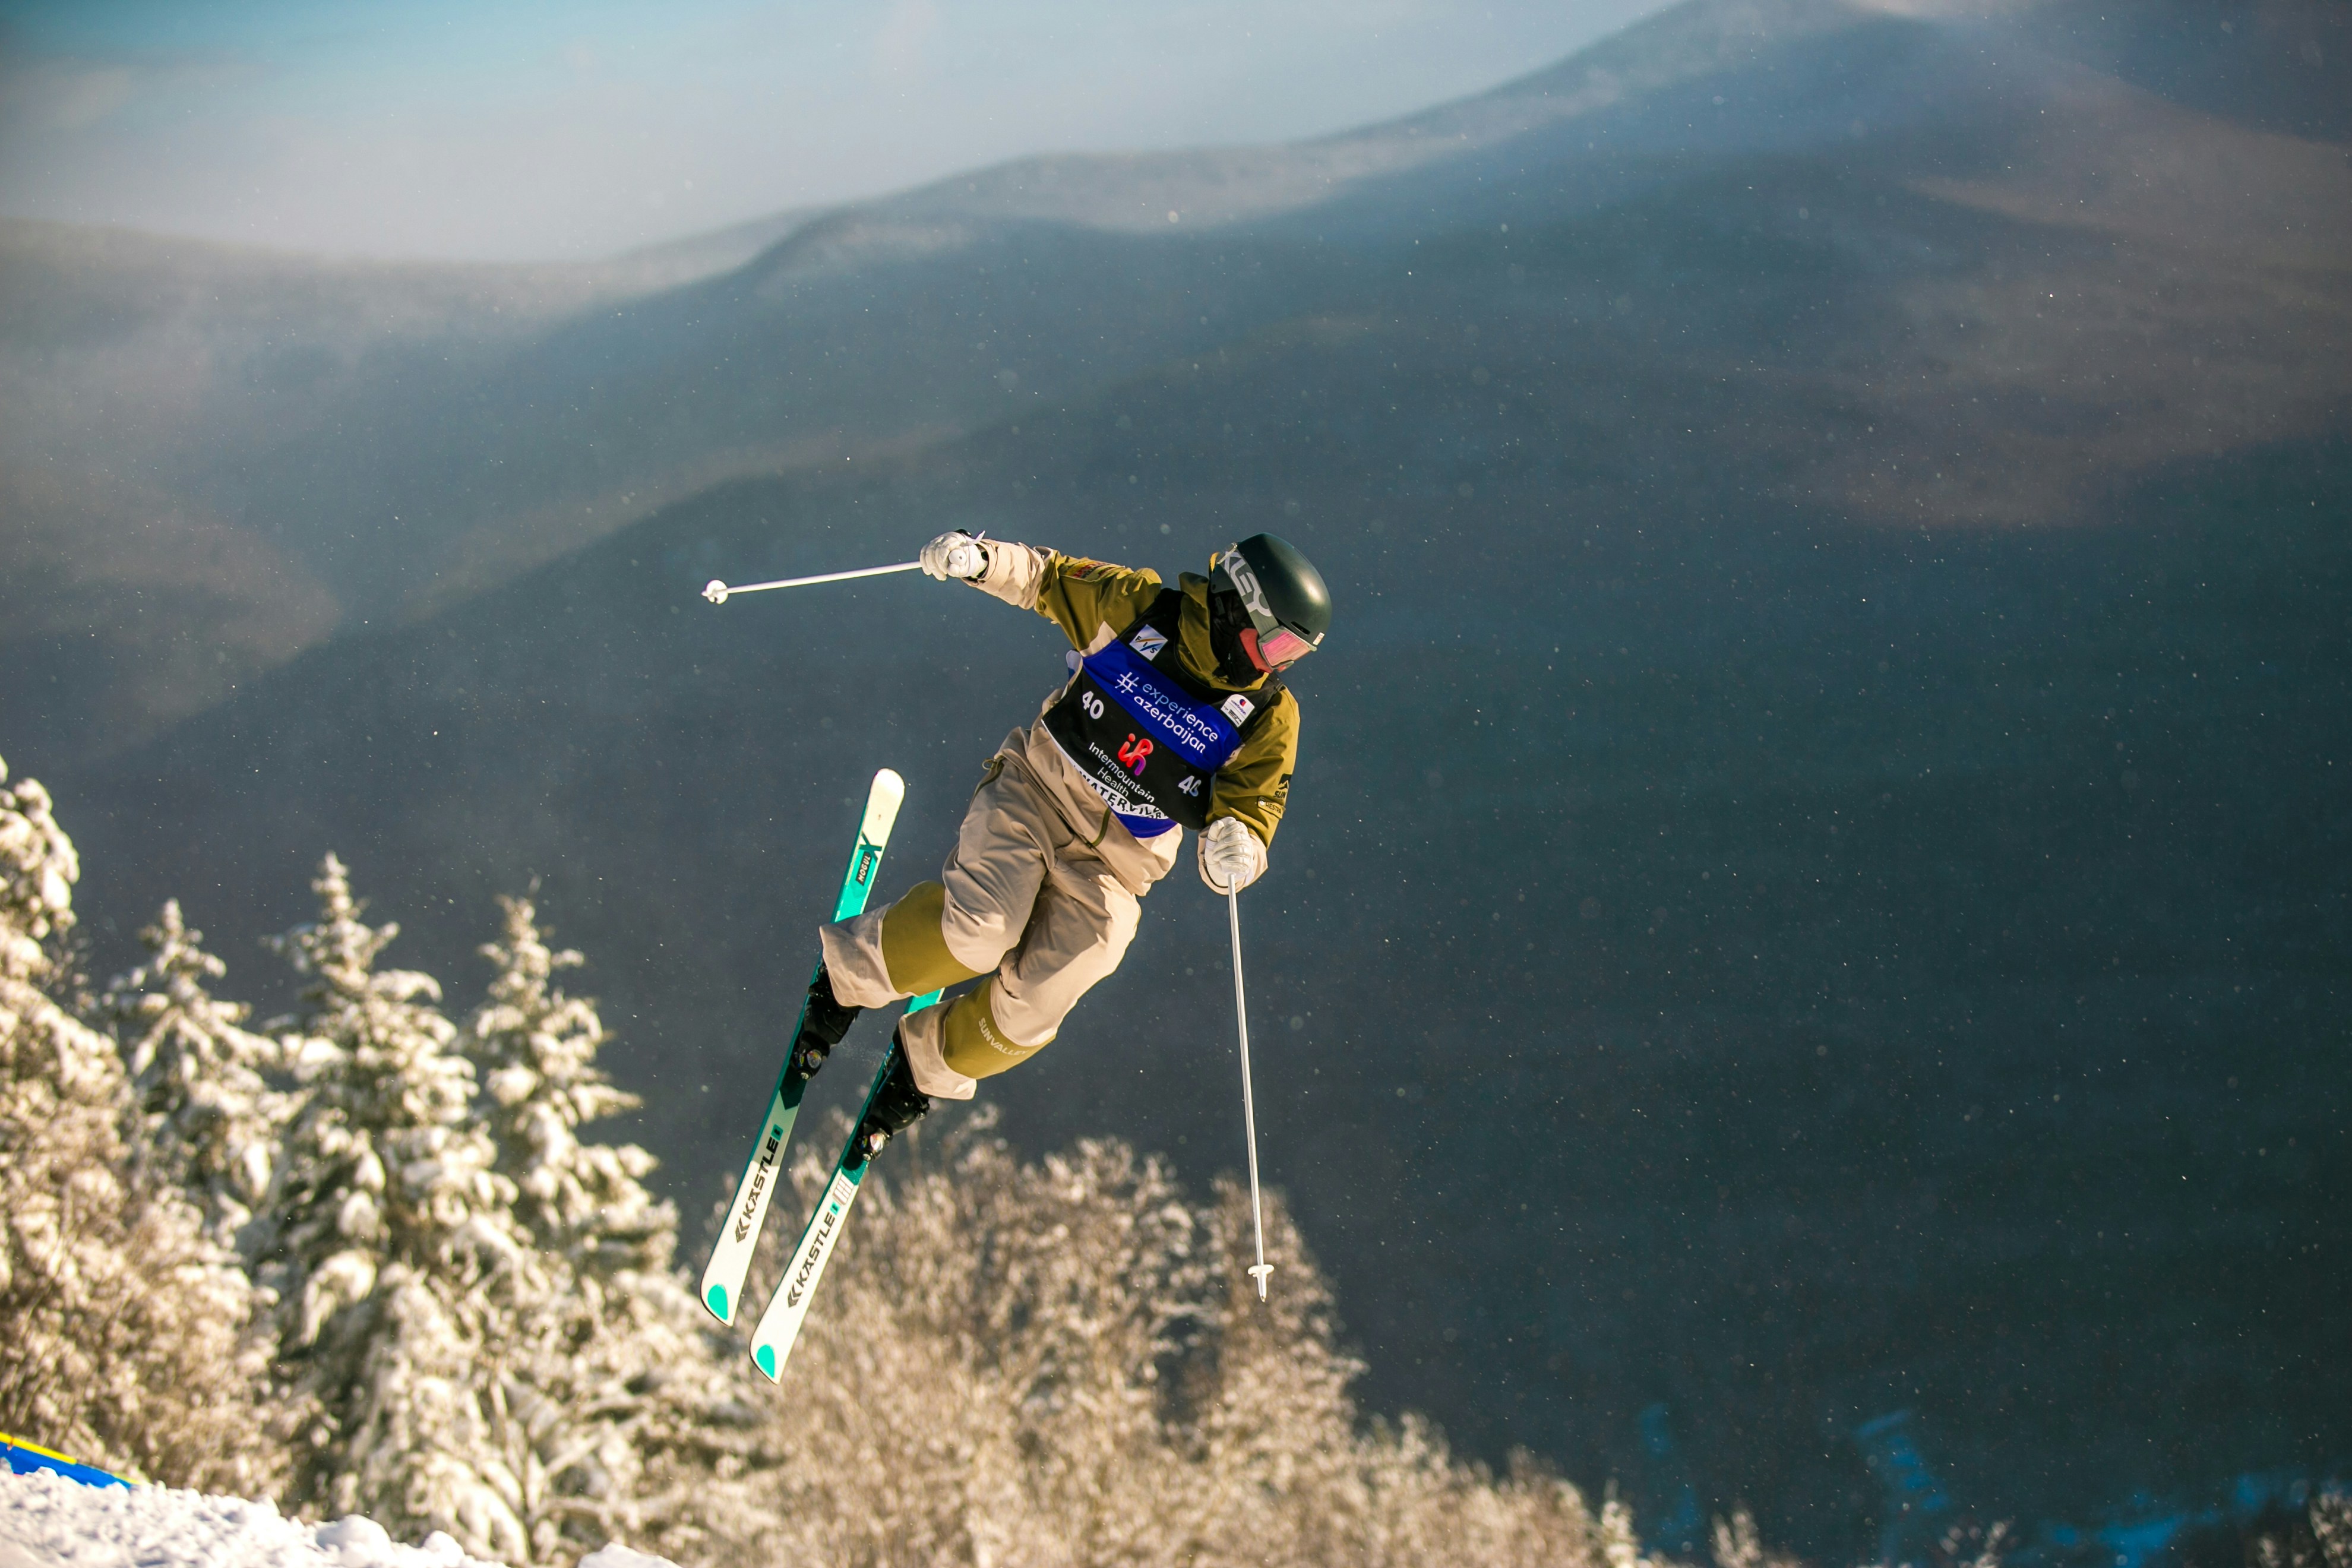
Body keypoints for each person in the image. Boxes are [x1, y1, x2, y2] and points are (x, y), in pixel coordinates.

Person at [789, 530, 1330, 1161]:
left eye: (1294, 654)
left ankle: (924, 1063)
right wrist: (980, 560)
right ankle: (849, 978)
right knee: (981, 932)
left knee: (1054, 986)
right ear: (1239, 607)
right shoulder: (1137, 612)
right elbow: (1046, 579)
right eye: (1278, 643)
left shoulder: (1266, 716)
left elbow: (1249, 811)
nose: (1278, 663)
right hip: (1035, 796)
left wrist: (1237, 846)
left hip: (1115, 866)